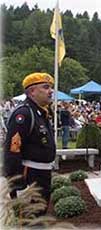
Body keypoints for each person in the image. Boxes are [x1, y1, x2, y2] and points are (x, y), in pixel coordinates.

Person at [3, 72, 56, 216]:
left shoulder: (42, 113)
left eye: (51, 87)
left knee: (39, 218)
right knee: (29, 221)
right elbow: (12, 152)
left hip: (42, 175)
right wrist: (18, 185)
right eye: (46, 87)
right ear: (32, 91)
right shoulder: (24, 114)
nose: (51, 91)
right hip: (29, 177)